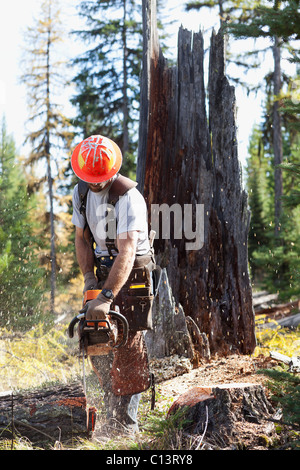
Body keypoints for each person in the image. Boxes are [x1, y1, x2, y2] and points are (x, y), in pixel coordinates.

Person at [70, 135, 155, 436]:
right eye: (89, 179)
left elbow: (128, 251)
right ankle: (111, 413)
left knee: (128, 345)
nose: (94, 185)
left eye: (99, 180)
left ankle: (126, 427)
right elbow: (81, 239)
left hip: (132, 273)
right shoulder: (80, 193)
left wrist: (106, 295)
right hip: (104, 266)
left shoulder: (128, 197)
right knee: (97, 339)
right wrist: (91, 281)